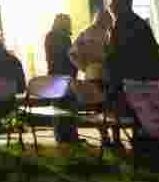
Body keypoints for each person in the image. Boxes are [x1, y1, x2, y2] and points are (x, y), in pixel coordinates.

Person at [107, 0, 159, 171]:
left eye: (113, 1)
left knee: (142, 122)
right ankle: (153, 157)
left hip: (136, 83)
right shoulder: (139, 23)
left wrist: (114, 85)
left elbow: (117, 58)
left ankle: (148, 160)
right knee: (147, 122)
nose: (110, 6)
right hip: (146, 82)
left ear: (122, 3)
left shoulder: (122, 25)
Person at [70, 8, 120, 147]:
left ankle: (106, 138)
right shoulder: (106, 33)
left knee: (99, 108)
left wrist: (84, 67)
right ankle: (115, 139)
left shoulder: (85, 32)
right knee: (110, 107)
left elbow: (72, 53)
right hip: (104, 74)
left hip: (92, 73)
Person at [44, 14, 79, 144]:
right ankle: (68, 136)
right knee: (65, 107)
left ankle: (64, 137)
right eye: (67, 23)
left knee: (61, 108)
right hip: (62, 77)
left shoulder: (51, 36)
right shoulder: (62, 38)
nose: (70, 25)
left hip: (57, 76)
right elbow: (68, 57)